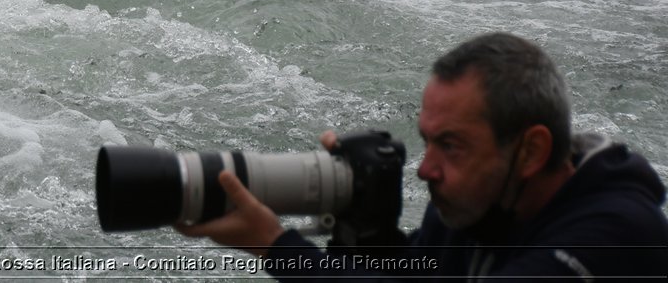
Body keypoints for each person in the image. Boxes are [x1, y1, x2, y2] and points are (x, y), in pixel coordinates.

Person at [180, 32, 668, 280]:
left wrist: (278, 248)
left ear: (532, 150)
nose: (425, 168)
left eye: (451, 145)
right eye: (427, 140)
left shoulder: (618, 234)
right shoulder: (472, 209)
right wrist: (365, 225)